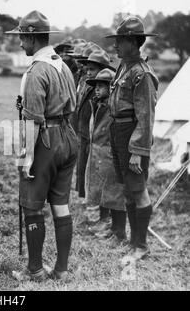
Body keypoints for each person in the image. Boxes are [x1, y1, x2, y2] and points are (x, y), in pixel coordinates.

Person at [6, 11, 78, 282]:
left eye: (22, 38)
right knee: (61, 205)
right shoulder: (63, 65)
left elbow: (33, 120)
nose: (20, 44)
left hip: (45, 139)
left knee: (33, 206)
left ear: (32, 37)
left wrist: (27, 157)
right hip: (68, 137)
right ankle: (61, 270)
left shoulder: (36, 71)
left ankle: (34, 270)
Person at [105, 16, 158, 261]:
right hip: (118, 132)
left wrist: (138, 150)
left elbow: (145, 116)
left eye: (121, 40)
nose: (116, 45)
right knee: (127, 188)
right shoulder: (123, 67)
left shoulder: (141, 74)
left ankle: (141, 245)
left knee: (138, 189)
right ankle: (133, 241)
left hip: (132, 135)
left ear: (134, 42)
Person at [84, 69, 127, 243]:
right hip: (98, 154)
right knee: (103, 194)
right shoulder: (98, 104)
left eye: (102, 86)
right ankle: (110, 228)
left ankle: (120, 233)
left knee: (115, 196)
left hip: (110, 155)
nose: (97, 89)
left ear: (112, 87)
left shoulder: (114, 107)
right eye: (96, 86)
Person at [75, 50, 115, 225]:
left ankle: (104, 216)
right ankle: (94, 210)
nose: (88, 72)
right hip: (87, 135)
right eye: (87, 69)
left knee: (103, 180)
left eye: (92, 69)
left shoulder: (107, 98)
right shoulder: (90, 87)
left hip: (102, 145)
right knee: (87, 172)